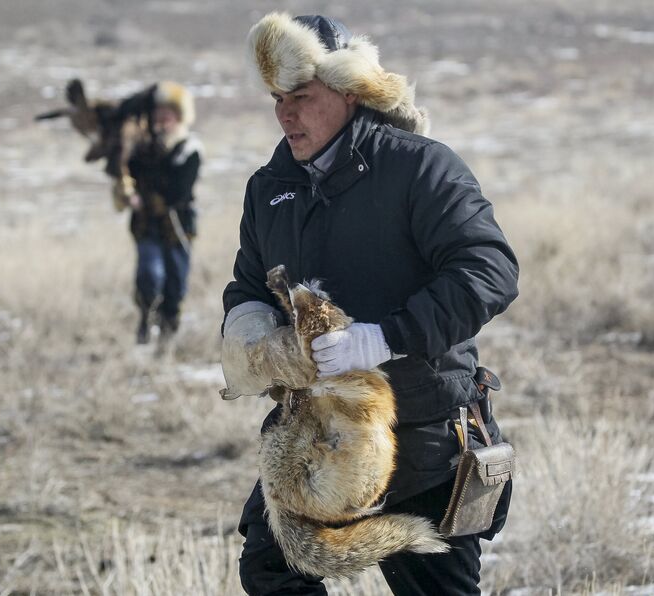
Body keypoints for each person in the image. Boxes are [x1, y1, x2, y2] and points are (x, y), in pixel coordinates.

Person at [220, 13, 519, 595]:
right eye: (277, 98)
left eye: (301, 96)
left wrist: (384, 337)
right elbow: (247, 290)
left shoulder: (420, 167)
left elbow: (490, 270)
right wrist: (264, 346)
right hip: (313, 437)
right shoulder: (269, 189)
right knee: (271, 570)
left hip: (424, 433)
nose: (285, 113)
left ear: (348, 91)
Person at [112, 81, 202, 344]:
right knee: (149, 276)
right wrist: (125, 188)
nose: (162, 118)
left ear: (179, 115)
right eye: (158, 113)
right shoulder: (139, 148)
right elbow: (129, 174)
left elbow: (179, 190)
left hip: (178, 226)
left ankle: (167, 336)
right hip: (146, 225)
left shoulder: (189, 148)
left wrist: (150, 196)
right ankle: (145, 322)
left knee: (176, 285)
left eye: (168, 113)